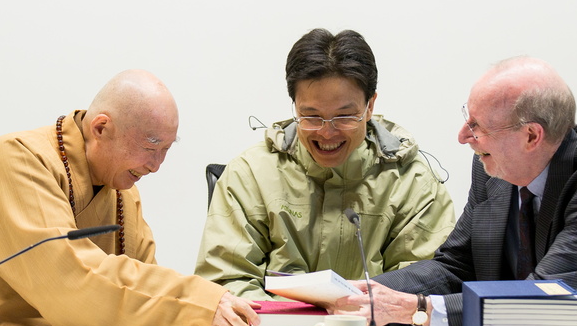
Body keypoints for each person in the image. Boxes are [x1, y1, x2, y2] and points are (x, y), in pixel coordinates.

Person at [336, 56, 577, 326]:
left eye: (477, 125)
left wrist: (417, 309)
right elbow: (456, 268)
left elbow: (544, 297)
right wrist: (364, 292)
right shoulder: (492, 168)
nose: (463, 136)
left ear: (531, 136)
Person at [0, 70, 257, 326]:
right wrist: (198, 303)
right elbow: (68, 283)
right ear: (101, 128)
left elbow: (141, 286)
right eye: (150, 147)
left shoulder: (123, 193)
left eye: (166, 150)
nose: (156, 166)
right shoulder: (15, 160)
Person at [195, 29, 455, 300]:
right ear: (295, 106)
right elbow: (226, 282)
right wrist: (289, 320)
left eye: (344, 116)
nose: (327, 132)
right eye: (311, 116)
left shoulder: (413, 182)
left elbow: (427, 285)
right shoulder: (250, 175)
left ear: (370, 106)